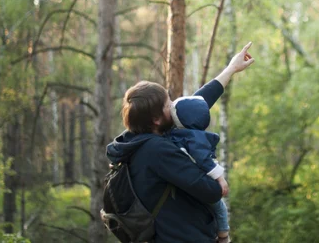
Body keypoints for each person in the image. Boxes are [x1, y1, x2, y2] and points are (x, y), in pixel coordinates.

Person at [106, 42, 255, 243]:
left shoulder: (139, 140)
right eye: (168, 103)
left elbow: (195, 105)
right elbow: (211, 192)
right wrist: (218, 178)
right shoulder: (158, 150)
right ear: (156, 119)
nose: (175, 105)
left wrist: (231, 69)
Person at [169, 95, 230, 242]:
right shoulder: (196, 138)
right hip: (204, 179)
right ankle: (223, 236)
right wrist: (220, 178)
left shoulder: (173, 134)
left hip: (185, 182)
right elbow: (204, 160)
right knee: (220, 208)